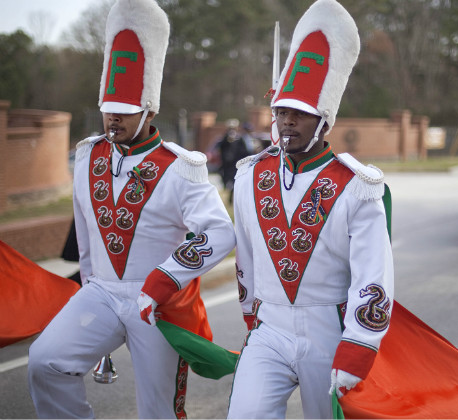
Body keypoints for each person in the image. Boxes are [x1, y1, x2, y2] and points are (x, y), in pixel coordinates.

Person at [27, 0, 236, 418]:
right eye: (109, 108)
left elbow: (220, 232)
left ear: (150, 110)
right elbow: (86, 234)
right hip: (100, 292)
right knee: (44, 361)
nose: (113, 119)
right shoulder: (87, 155)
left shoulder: (182, 167)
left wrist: (166, 277)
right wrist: (88, 284)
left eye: (125, 111)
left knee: (157, 412)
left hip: (156, 302)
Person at [227, 1, 394, 418]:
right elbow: (245, 253)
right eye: (282, 112)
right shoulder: (248, 176)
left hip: (330, 333)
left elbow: (373, 273)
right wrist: (250, 313)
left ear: (323, 120)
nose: (287, 122)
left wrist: (360, 344)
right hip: (270, 331)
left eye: (299, 114)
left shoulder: (358, 186)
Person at [212, 119, 253, 204]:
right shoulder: (224, 138)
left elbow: (244, 151)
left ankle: (231, 198)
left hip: (235, 163)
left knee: (235, 180)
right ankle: (227, 193)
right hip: (226, 163)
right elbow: (218, 147)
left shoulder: (239, 138)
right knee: (225, 178)